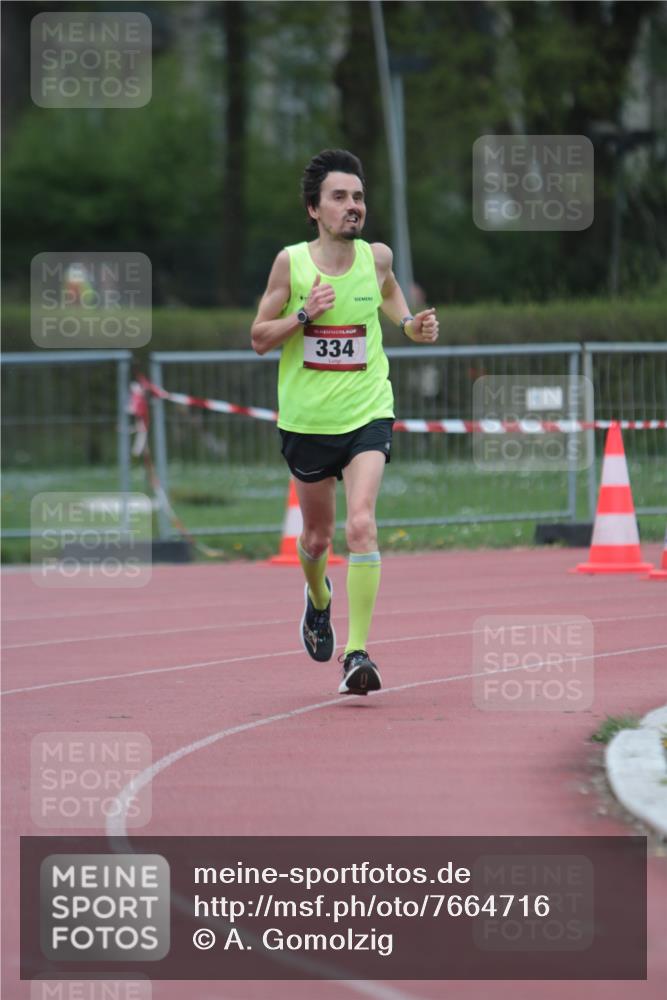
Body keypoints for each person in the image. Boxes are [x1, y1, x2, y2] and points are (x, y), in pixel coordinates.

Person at [251, 149, 438, 696]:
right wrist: (303, 314)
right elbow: (259, 338)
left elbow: (388, 290)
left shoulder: (376, 257)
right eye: (339, 197)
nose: (352, 206)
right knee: (315, 538)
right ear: (314, 208)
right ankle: (318, 599)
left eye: (357, 197)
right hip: (308, 422)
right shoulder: (292, 264)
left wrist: (408, 323)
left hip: (367, 411)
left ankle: (356, 653)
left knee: (361, 526)